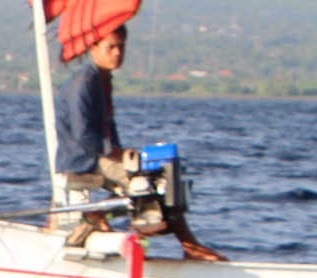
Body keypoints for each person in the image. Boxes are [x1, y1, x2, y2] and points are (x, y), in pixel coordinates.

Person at [54, 25, 225, 261]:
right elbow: (85, 136)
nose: (117, 53)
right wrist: (118, 153)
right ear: (93, 47)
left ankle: (178, 241)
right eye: (110, 47)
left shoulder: (102, 81)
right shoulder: (84, 84)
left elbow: (108, 131)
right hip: (82, 159)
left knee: (164, 175)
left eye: (121, 47)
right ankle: (188, 246)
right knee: (148, 182)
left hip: (98, 155)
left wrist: (124, 154)